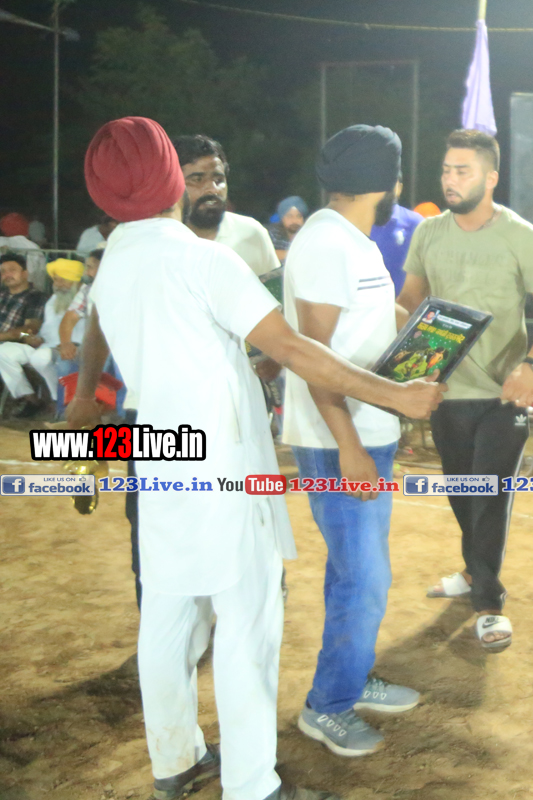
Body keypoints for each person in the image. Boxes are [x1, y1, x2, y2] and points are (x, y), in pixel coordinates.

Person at [70, 115, 444, 800]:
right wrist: (398, 394)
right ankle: (251, 785)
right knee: (248, 621)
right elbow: (298, 349)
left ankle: (176, 760)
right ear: (171, 178)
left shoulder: (113, 259)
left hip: (158, 454)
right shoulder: (203, 260)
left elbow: (232, 346)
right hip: (222, 465)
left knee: (169, 615)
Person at [280, 125, 424, 757]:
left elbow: (372, 320)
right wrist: (349, 446)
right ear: (388, 183)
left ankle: (352, 674)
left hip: (368, 430)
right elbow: (314, 357)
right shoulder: (324, 242)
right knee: (363, 578)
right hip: (339, 438)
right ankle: (328, 707)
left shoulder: (352, 239)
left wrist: (434, 335)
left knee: (358, 573)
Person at [399, 129, 533, 651]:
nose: (450, 179)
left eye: (462, 171)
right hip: (444, 391)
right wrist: (406, 351)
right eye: (447, 169)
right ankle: (473, 571)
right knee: (461, 492)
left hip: (503, 395)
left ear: (491, 177)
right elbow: (409, 300)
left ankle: (488, 604)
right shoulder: (428, 233)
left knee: (488, 493)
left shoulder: (522, 236)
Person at [173, 134, 280, 277]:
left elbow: (272, 289)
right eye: (197, 180)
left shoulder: (251, 233)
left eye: (219, 180)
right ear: (173, 184)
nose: (213, 189)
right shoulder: (163, 241)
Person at [0, 258, 84, 418]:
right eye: (55, 280)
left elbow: (28, 328)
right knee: (3, 352)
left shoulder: (86, 299)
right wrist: (30, 337)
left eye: (62, 280)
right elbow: (33, 333)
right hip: (42, 346)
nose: (57, 284)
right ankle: (32, 400)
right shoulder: (54, 299)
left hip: (71, 348)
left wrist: (20, 334)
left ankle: (58, 401)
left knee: (42, 358)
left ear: (75, 280)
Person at [0, 253, 48, 417]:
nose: (7, 275)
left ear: (25, 273)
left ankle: (31, 400)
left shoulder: (35, 297)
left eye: (12, 270)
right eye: (3, 271)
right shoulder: (2, 295)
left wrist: (4, 336)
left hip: (21, 343)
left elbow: (29, 330)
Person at [369, 188, 424, 295]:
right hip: (366, 299)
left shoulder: (415, 223)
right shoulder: (358, 219)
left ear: (399, 187)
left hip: (404, 301)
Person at [270, 196, 308, 262]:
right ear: (282, 218)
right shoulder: (273, 235)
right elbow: (266, 255)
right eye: (289, 216)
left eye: (299, 216)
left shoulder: (309, 236)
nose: (294, 221)